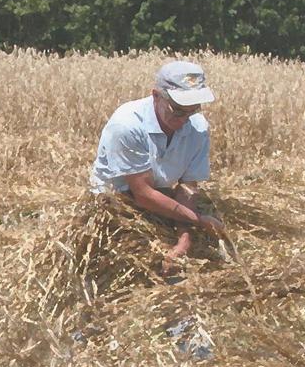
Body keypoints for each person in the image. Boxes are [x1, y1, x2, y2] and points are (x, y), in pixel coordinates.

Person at [89, 60, 224, 275]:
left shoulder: (197, 127)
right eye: (178, 110)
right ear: (156, 95)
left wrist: (183, 240)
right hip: (117, 202)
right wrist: (199, 221)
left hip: (162, 196)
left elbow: (187, 188)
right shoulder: (127, 125)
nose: (184, 119)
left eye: (193, 110)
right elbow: (142, 194)